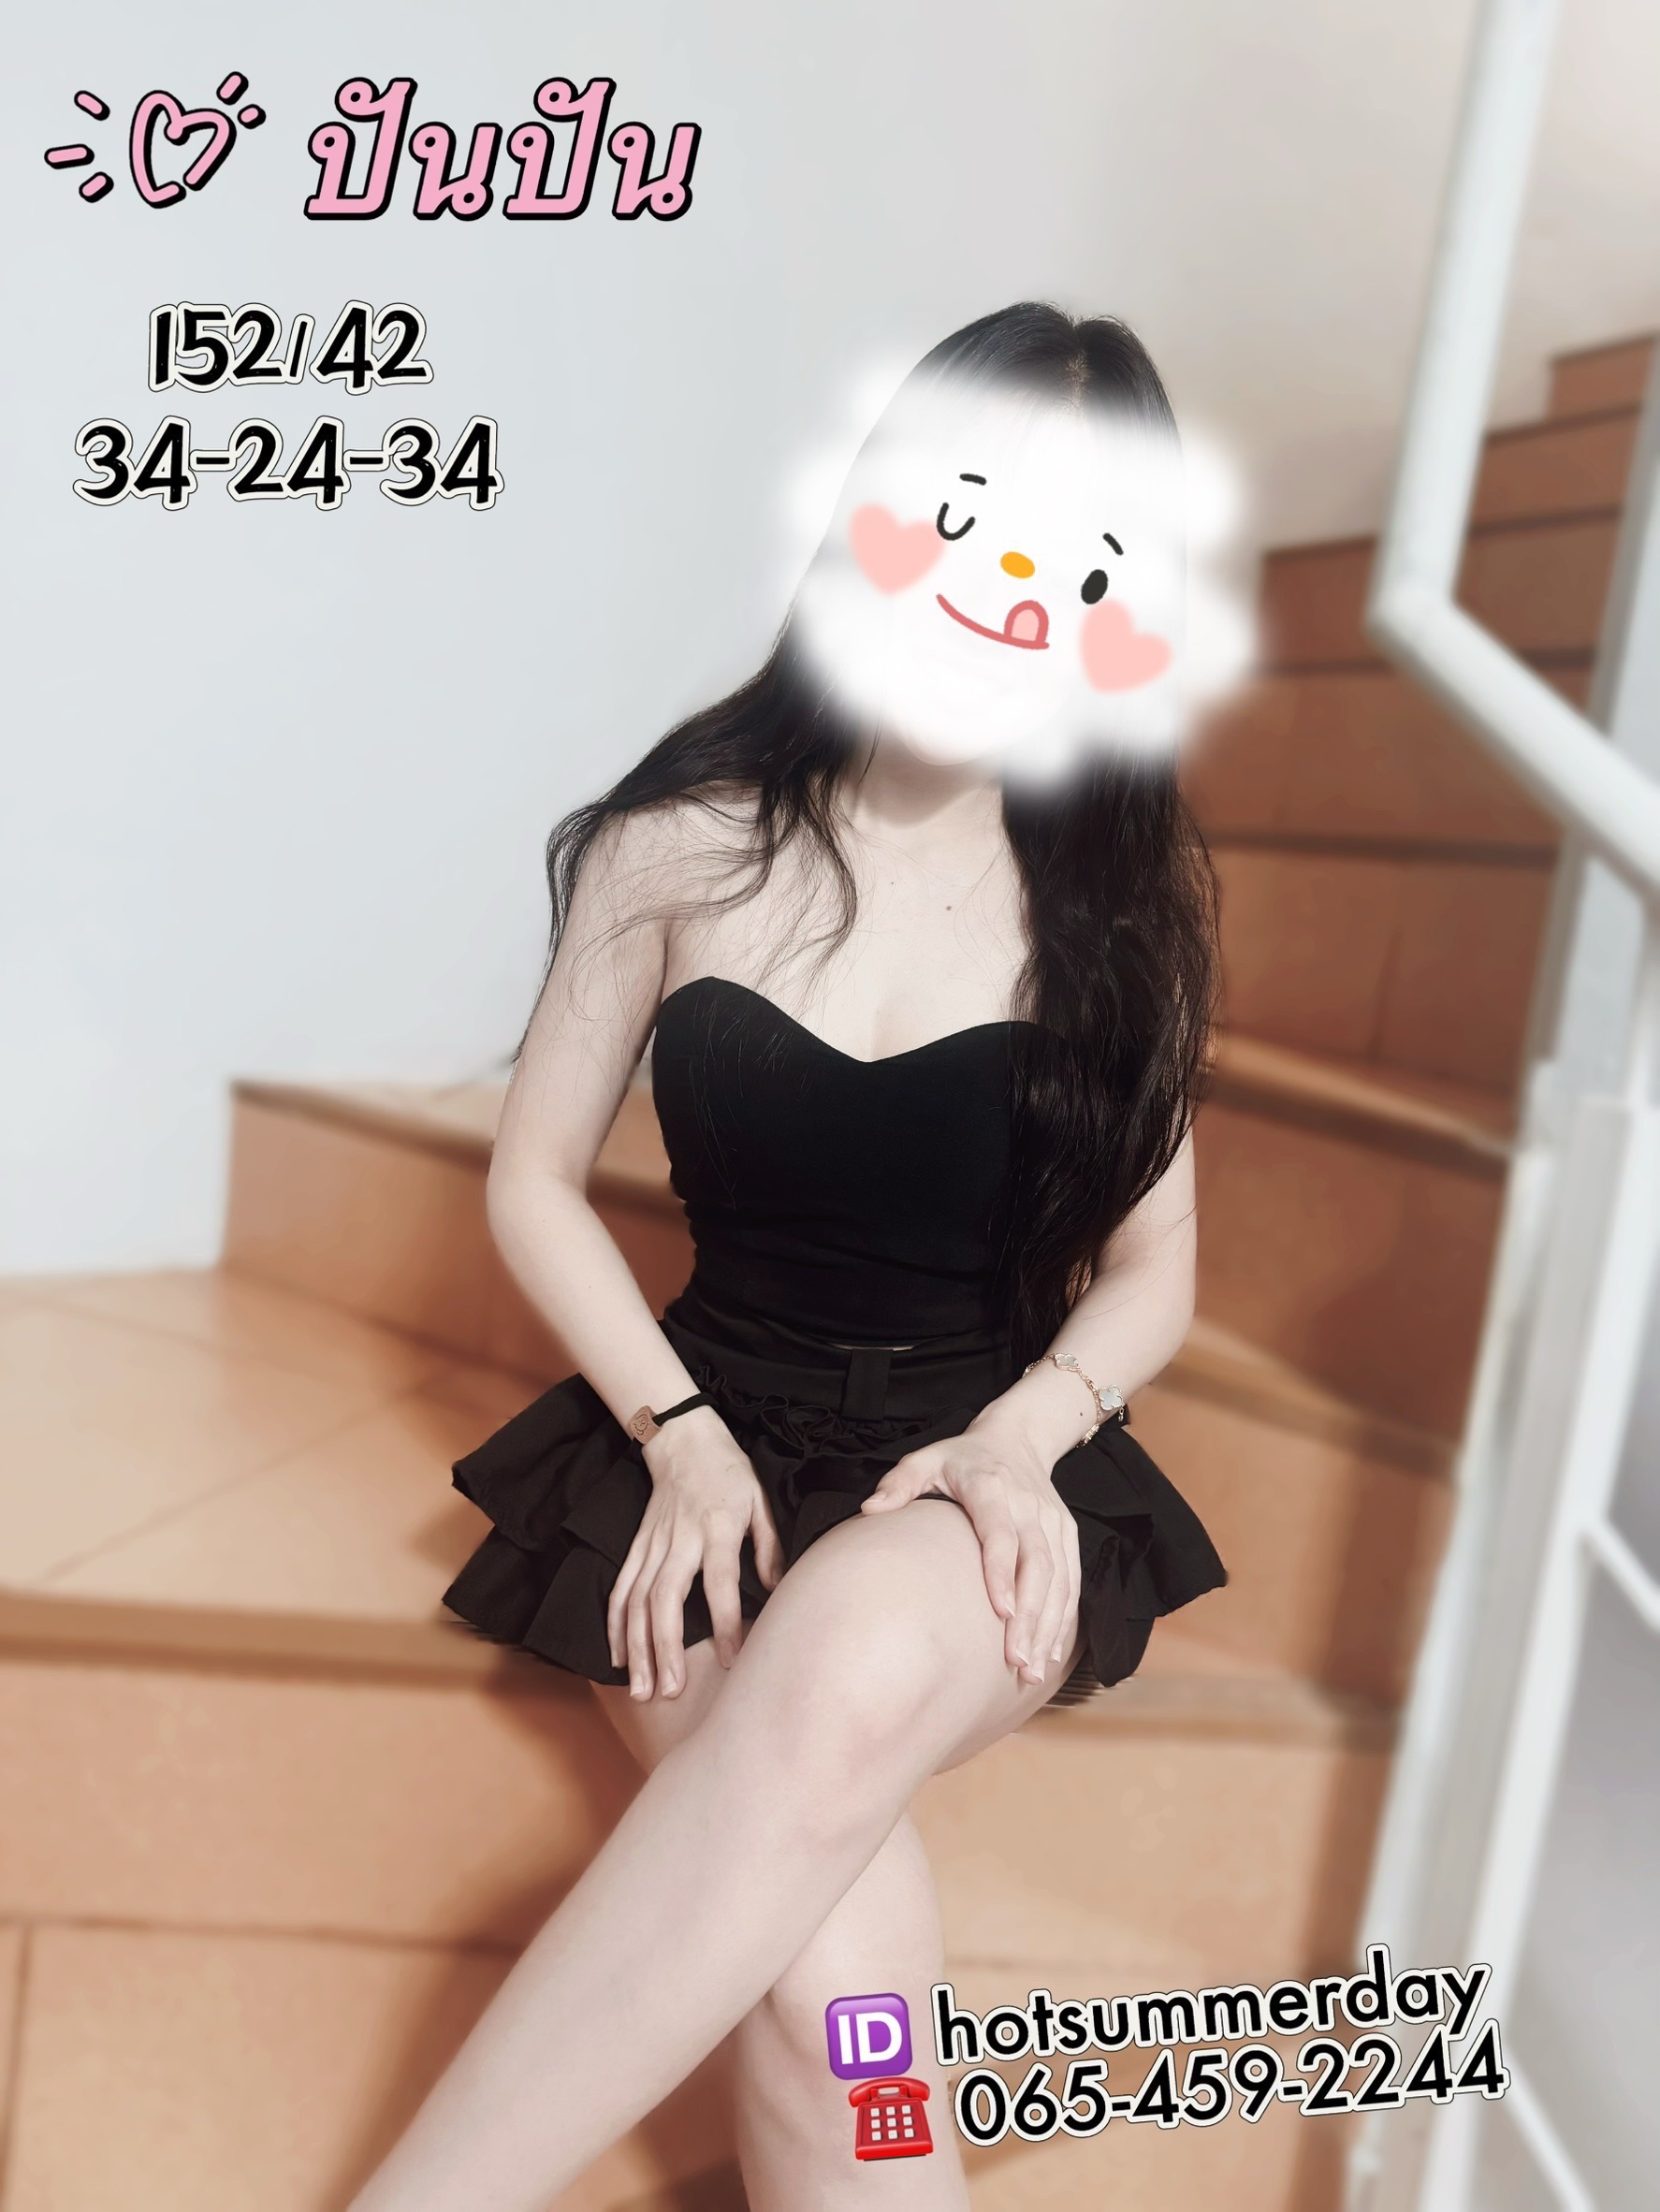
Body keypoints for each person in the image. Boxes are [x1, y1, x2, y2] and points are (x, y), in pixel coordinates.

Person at [348, 300, 1226, 2212]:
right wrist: (672, 1435)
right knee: (837, 1990)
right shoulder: (674, 847)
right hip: (701, 1443)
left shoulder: (1121, 918)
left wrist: (1021, 1443)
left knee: (834, 1670)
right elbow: (533, 1182)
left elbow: (1155, 1270)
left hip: (965, 1471)